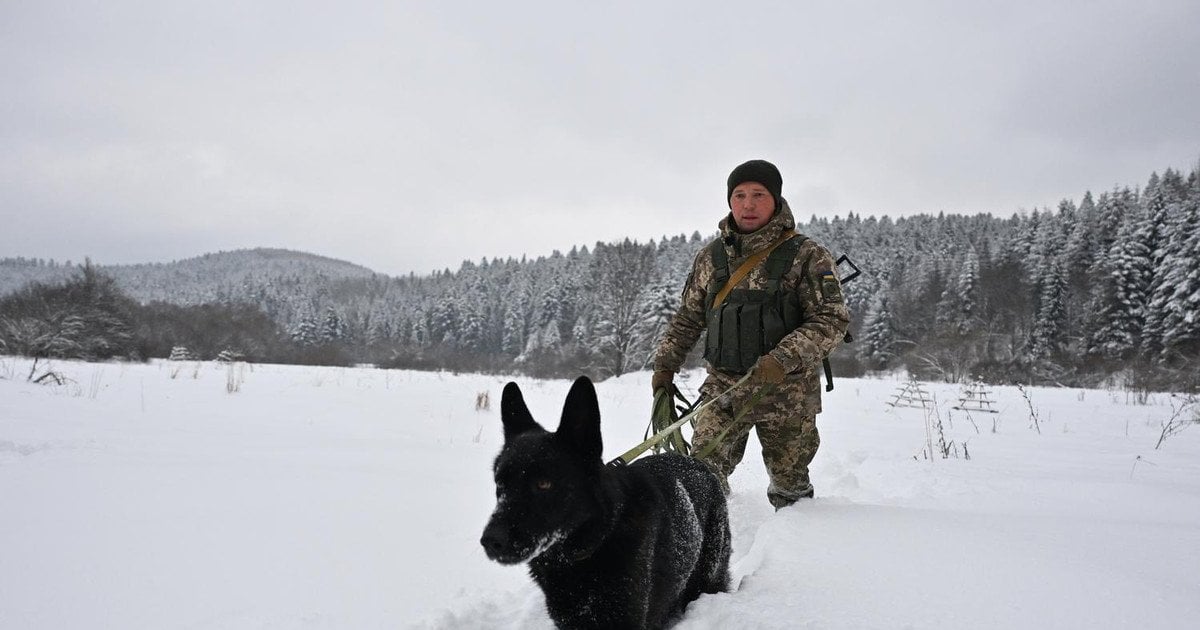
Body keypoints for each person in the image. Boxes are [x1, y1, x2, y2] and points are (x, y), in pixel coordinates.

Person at [652, 159, 850, 509]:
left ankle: (799, 552)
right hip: (724, 390)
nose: (748, 203)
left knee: (790, 487)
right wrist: (665, 366)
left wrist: (781, 359)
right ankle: (708, 537)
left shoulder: (807, 255)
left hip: (787, 394)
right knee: (701, 477)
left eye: (759, 194)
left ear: (775, 199)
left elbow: (831, 320)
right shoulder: (710, 258)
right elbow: (688, 318)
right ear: (729, 201)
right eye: (739, 195)